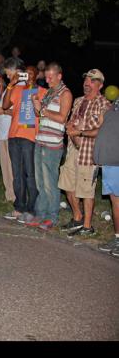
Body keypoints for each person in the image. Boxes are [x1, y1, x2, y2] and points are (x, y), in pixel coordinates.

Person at [58, 69, 112, 236]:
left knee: (86, 190)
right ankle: (77, 217)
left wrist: (80, 132)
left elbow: (103, 130)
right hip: (72, 149)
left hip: (89, 153)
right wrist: (70, 127)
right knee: (67, 184)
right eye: (86, 80)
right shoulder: (78, 101)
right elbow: (71, 122)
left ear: (100, 85)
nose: (87, 84)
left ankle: (87, 227)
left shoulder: (104, 104)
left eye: (92, 81)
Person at [29, 62, 72, 230]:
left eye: (50, 77)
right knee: (40, 182)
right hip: (41, 140)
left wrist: (43, 110)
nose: (47, 80)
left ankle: (52, 216)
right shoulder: (49, 92)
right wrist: (35, 105)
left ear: (59, 76)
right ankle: (40, 213)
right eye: (46, 77)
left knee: (50, 182)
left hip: (53, 144)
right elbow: (40, 114)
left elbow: (62, 118)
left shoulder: (65, 93)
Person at [2, 62, 46, 224]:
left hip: (30, 137)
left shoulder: (42, 92)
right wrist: (10, 85)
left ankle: (31, 209)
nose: (28, 76)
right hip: (13, 135)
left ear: (37, 75)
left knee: (30, 174)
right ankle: (19, 207)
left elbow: (41, 113)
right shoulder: (17, 89)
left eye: (31, 73)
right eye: (25, 73)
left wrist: (35, 100)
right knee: (17, 174)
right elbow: (5, 105)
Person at [93, 99, 119, 255]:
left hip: (116, 162)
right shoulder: (113, 105)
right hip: (109, 163)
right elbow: (102, 126)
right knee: (115, 203)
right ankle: (117, 238)